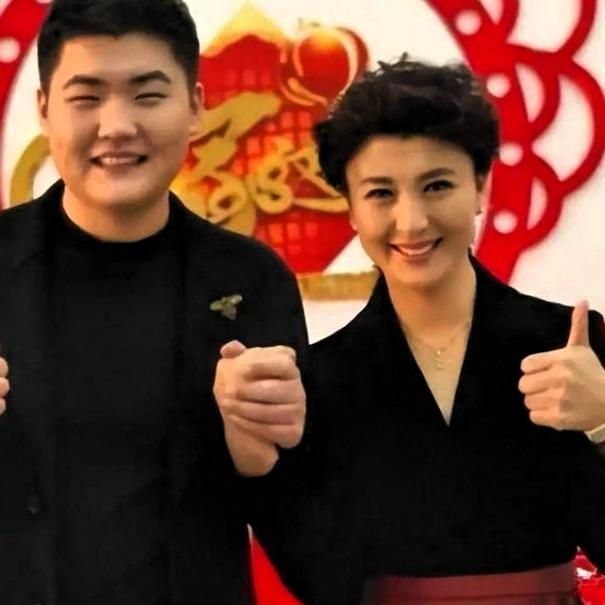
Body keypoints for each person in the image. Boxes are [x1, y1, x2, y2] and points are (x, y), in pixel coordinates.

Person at [215, 55, 605, 605]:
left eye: (436, 185)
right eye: (381, 193)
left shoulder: (566, 344)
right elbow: (320, 582)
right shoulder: (322, 378)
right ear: (350, 209)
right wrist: (255, 461)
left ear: (481, 186)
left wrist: (603, 422)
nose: (412, 221)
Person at [0, 1, 306, 604]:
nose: (116, 125)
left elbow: (305, 529)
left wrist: (261, 459)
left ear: (194, 105)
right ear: (43, 110)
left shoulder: (252, 278)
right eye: (87, 97)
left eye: (146, 95)